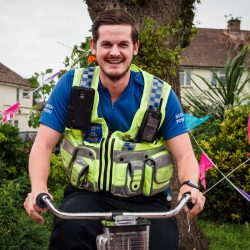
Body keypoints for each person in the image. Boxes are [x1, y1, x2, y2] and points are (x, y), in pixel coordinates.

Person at [24, 9, 205, 250]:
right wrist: (38, 188)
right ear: (93, 46)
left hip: (148, 201)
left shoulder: (161, 94)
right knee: (67, 234)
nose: (115, 52)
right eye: (107, 44)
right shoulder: (71, 85)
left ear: (135, 47)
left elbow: (185, 155)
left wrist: (190, 186)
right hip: (87, 196)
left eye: (123, 44)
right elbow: (43, 146)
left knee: (164, 242)